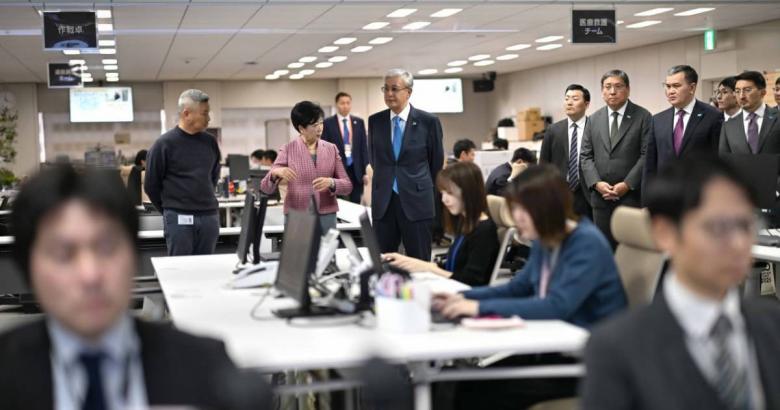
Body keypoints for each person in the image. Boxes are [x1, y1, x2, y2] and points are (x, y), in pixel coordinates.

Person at [0, 166, 270, 410]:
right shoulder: (7, 371)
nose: (90, 275)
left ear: (133, 256)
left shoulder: (207, 369)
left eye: (106, 248)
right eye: (63, 254)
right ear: (27, 267)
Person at [581, 157, 780, 410]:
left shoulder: (772, 325)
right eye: (719, 227)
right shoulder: (617, 349)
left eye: (745, 225)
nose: (739, 244)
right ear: (665, 233)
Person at [433, 164, 626, 409]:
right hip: (552, 347)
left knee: (474, 390)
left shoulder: (586, 244)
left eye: (521, 210)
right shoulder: (546, 241)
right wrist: (463, 297)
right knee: (456, 379)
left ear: (546, 209)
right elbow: (517, 288)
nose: (516, 218)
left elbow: (556, 306)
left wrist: (477, 308)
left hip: (588, 364)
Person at [369, 68, 444, 261]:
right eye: (385, 89)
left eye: (394, 89)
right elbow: (374, 159)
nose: (389, 94)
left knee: (419, 261)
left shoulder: (428, 122)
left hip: (417, 202)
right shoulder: (375, 121)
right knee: (383, 262)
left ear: (408, 92)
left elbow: (436, 164)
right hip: (384, 203)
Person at [384, 162, 499, 287]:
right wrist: (409, 262)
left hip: (465, 295)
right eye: (443, 193)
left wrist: (430, 268)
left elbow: (471, 281)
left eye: (450, 193)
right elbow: (453, 267)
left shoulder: (484, 231)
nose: (444, 199)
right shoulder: (466, 223)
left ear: (469, 191)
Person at [580, 69, 653, 249]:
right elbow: (586, 156)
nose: (612, 92)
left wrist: (627, 184)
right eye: (608, 87)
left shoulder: (643, 116)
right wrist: (596, 183)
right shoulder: (594, 119)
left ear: (628, 89)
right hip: (601, 198)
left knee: (630, 249)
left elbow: (647, 154)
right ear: (602, 91)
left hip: (630, 197)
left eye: (618, 86)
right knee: (604, 249)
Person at [145, 89, 221, 256]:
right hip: (178, 217)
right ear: (187, 114)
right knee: (181, 267)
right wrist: (170, 209)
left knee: (207, 266)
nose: (209, 119)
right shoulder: (163, 144)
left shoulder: (210, 142)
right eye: (204, 113)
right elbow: (151, 185)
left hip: (209, 216)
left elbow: (213, 176)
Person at [261, 101, 352, 233]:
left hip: (326, 216)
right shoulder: (288, 150)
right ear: (301, 128)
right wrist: (275, 173)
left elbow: (347, 186)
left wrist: (331, 182)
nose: (320, 128)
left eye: (321, 123)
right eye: (314, 125)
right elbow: (265, 188)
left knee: (327, 248)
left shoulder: (331, 149)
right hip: (297, 216)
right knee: (298, 248)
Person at [644, 65, 722, 197]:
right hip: (665, 195)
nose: (670, 91)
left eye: (676, 86)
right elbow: (650, 164)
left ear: (692, 88)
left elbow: (718, 160)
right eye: (668, 86)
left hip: (699, 195)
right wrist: (647, 199)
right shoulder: (657, 120)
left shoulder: (713, 116)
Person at [539, 84, 593, 218]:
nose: (569, 102)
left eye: (575, 99)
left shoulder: (594, 127)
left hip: (587, 193)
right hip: (560, 193)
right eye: (567, 98)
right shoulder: (553, 130)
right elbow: (544, 164)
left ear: (586, 104)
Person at [321, 92, 370, 204]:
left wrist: (365, 172)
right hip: (337, 170)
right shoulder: (328, 123)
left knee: (356, 203)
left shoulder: (359, 122)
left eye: (348, 103)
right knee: (340, 203)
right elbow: (324, 149)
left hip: (356, 170)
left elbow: (363, 148)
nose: (345, 106)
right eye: (342, 103)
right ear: (336, 104)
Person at [719, 70, 780, 155]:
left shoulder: (777, 118)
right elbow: (724, 159)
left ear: (763, 92)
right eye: (737, 91)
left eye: (747, 90)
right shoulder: (728, 126)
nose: (741, 96)